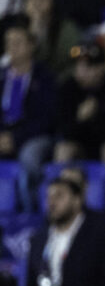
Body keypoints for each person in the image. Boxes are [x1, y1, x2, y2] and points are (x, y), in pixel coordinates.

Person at [54, 40, 105, 169]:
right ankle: (62, 186)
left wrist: (99, 113)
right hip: (81, 142)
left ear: (101, 68)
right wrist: (80, 119)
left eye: (86, 66)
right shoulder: (68, 88)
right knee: (64, 149)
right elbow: (63, 130)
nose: (80, 71)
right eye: (78, 65)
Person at [0, 19, 56, 182]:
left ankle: (32, 203)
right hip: (3, 135)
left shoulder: (45, 77)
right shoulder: (2, 76)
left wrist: (16, 138)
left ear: (32, 45)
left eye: (18, 42)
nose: (12, 48)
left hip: (34, 136)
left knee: (29, 156)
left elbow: (47, 118)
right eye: (9, 43)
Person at [23, 0, 79, 77]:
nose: (37, 3)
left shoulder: (66, 28)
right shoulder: (17, 28)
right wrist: (34, 31)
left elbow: (72, 56)